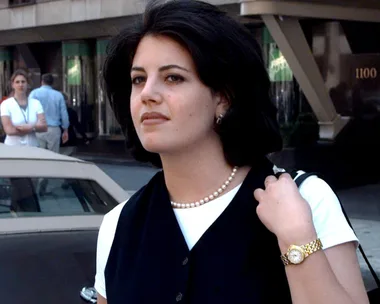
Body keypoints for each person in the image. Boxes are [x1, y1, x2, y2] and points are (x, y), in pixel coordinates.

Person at [95, 1, 369, 304]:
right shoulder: (118, 225)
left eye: (173, 77)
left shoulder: (306, 201)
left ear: (223, 98)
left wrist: (297, 239)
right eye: (138, 79)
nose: (147, 93)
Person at [0, 69, 47, 147]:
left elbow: (44, 127)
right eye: (17, 82)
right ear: (13, 85)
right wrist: (34, 127)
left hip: (33, 147)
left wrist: (31, 127)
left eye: (23, 81)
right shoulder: (6, 104)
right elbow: (9, 130)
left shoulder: (36, 103)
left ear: (27, 84)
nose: (20, 84)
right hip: (13, 148)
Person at [29, 73, 69, 153]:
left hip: (38, 128)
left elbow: (29, 110)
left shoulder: (34, 93)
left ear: (42, 82)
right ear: (52, 83)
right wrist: (65, 129)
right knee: (54, 157)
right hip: (54, 130)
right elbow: (64, 113)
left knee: (38, 156)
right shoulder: (59, 95)